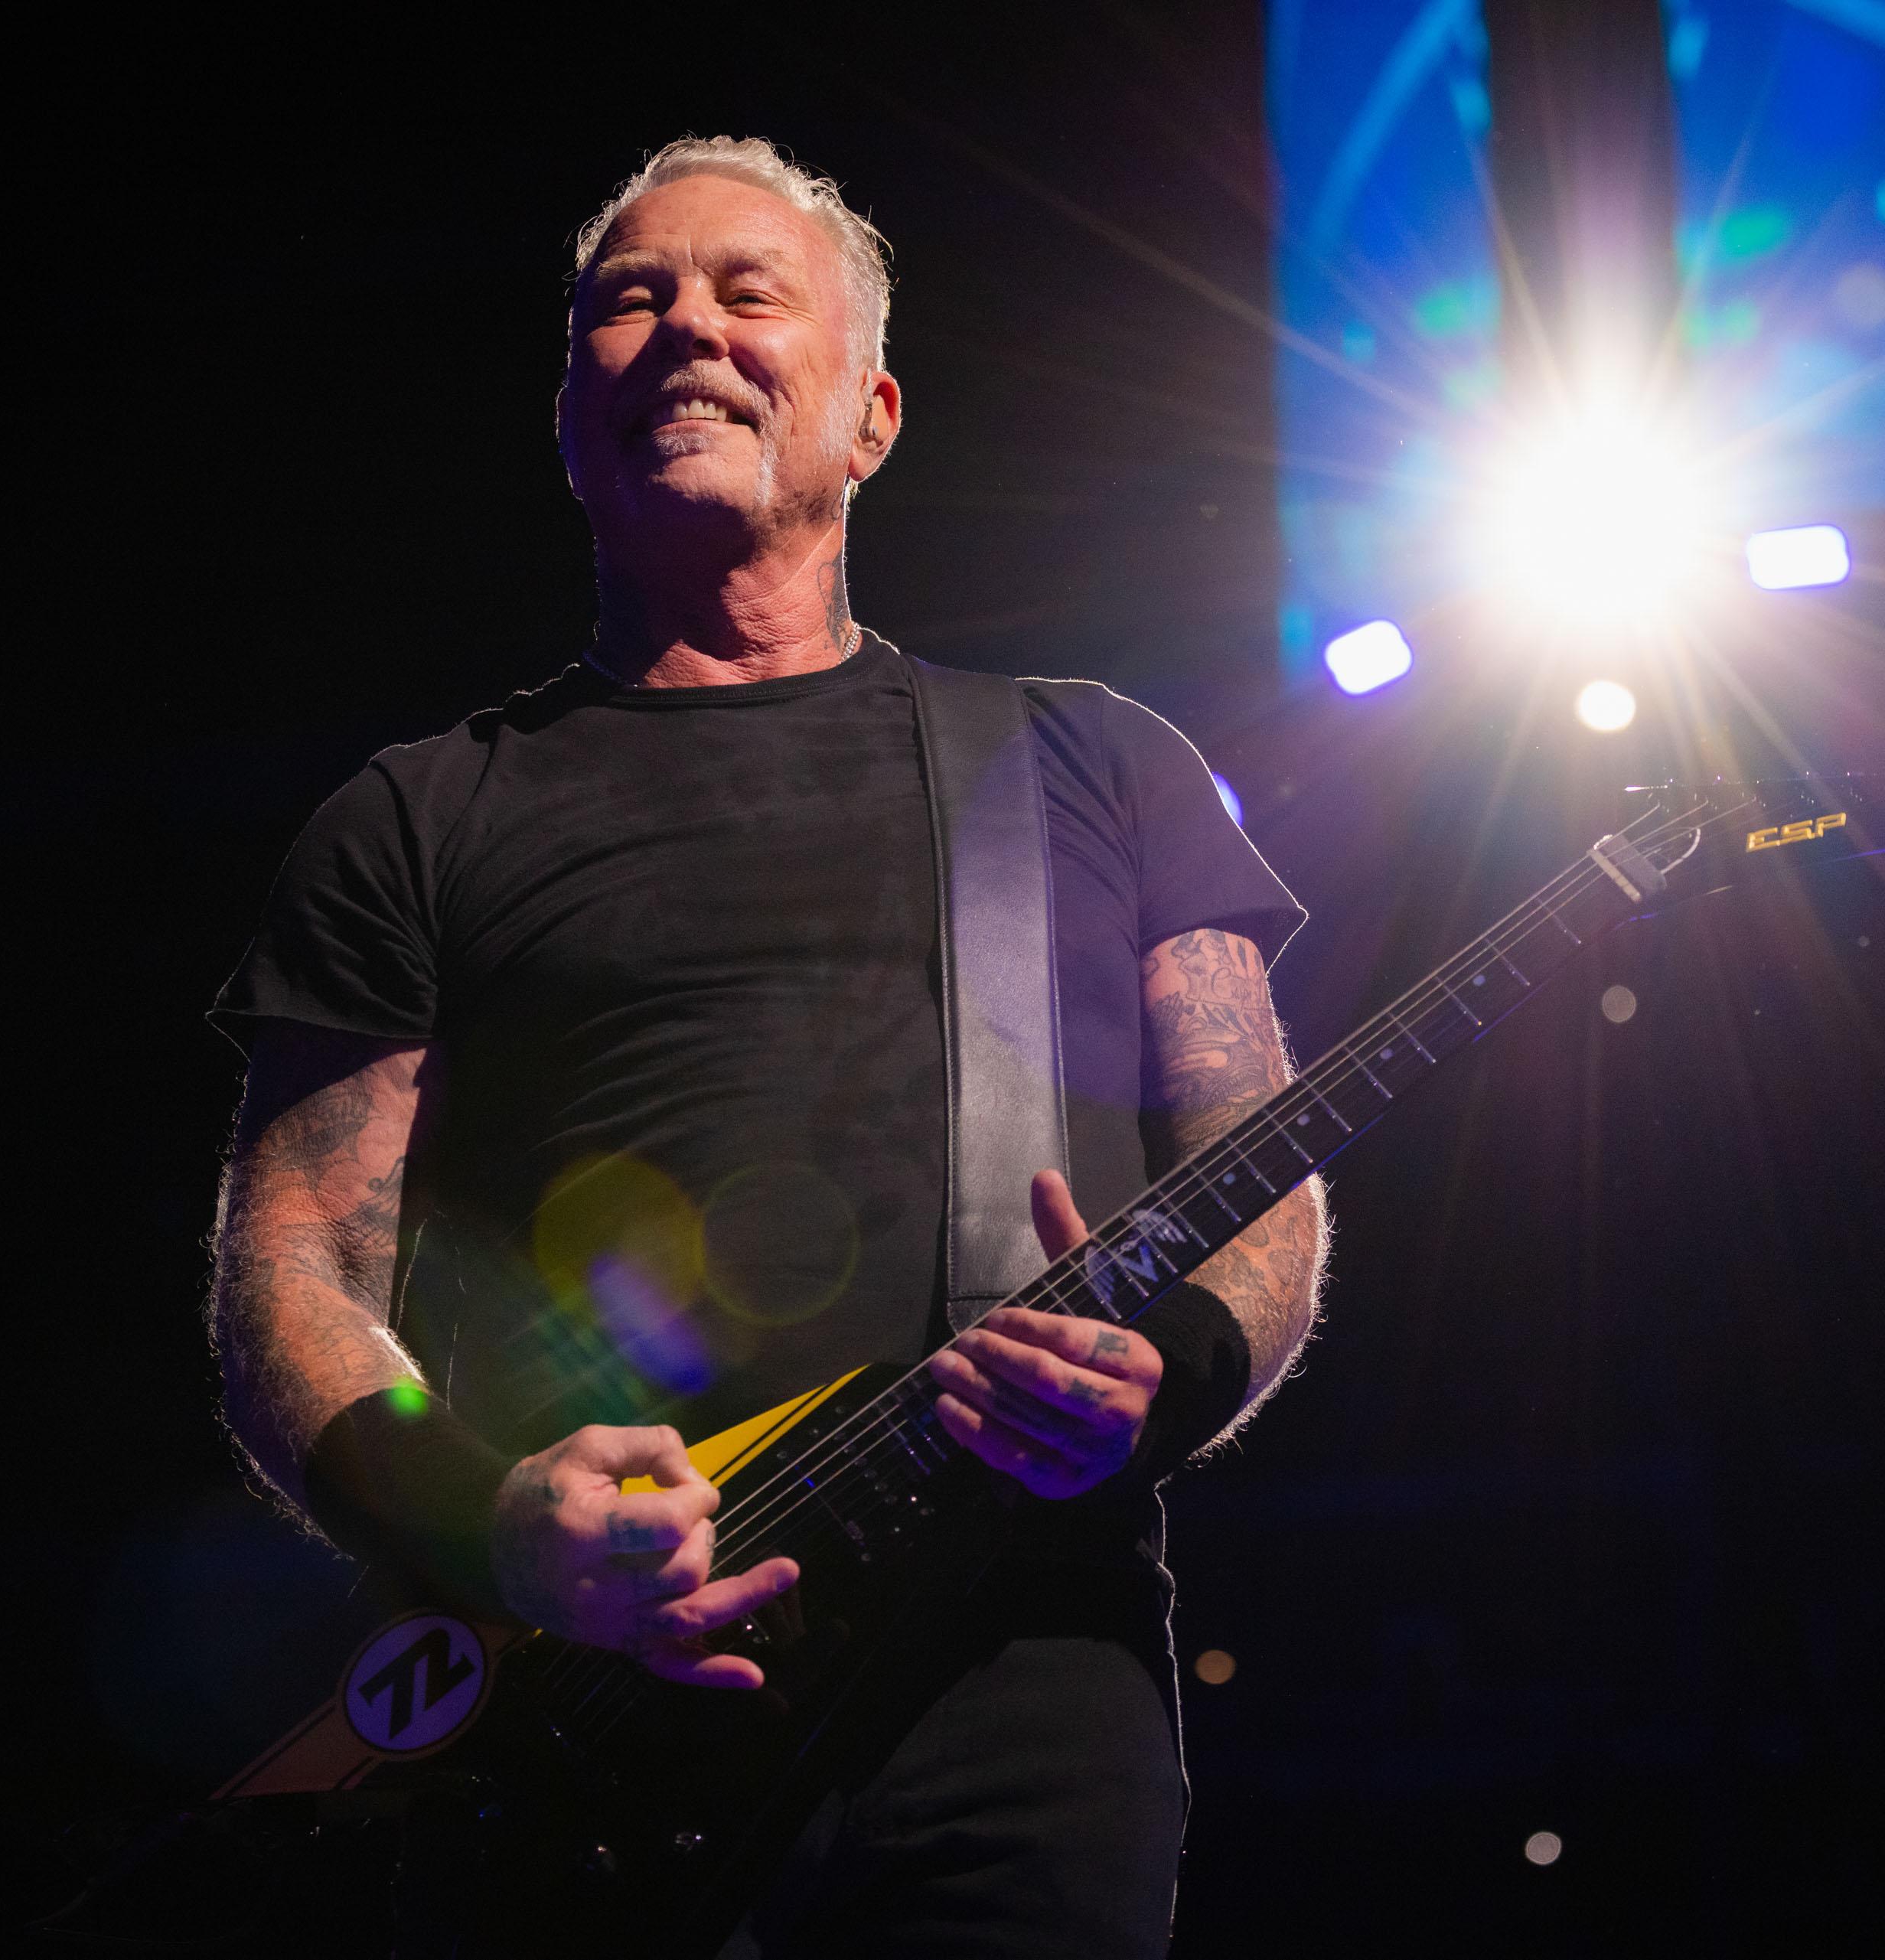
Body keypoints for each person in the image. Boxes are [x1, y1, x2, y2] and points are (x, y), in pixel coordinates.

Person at [204, 135, 1326, 1956]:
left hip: (1013, 1691)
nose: (687, 329)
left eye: (748, 293)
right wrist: (492, 1520)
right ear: (568, 421)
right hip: (585, 1717)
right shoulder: (414, 816)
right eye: (629, 300)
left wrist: (1175, 1371)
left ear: (871, 416)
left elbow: (1259, 1160)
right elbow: (293, 1266)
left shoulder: (1095, 762)